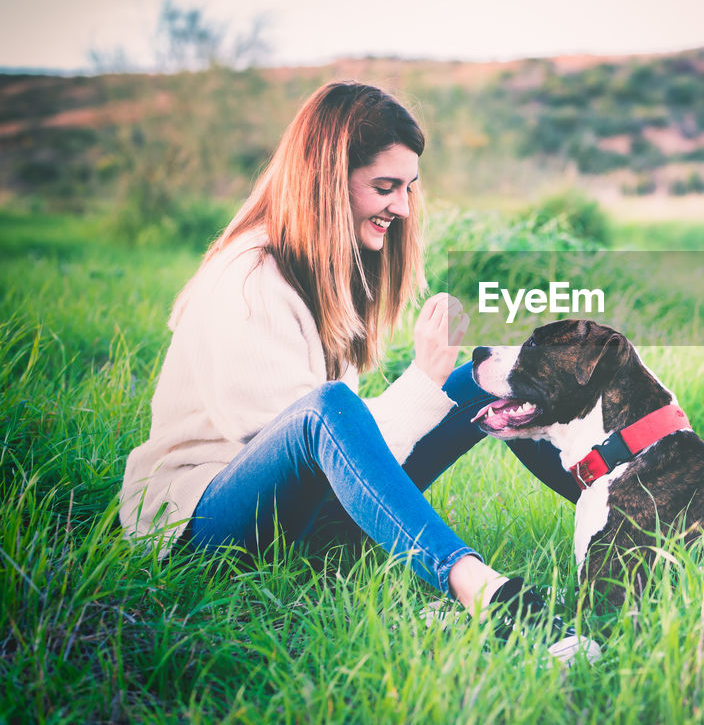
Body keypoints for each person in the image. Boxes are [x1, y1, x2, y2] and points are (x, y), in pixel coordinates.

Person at [118, 81, 597, 662]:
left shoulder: (326, 271)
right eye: (384, 187)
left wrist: (438, 385)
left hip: (297, 522)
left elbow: (339, 456)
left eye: (408, 188)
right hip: (200, 527)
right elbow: (315, 441)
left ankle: (646, 507)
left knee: (485, 379)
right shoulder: (249, 281)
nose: (401, 205)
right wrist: (420, 381)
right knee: (331, 406)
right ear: (324, 182)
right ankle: (483, 591)